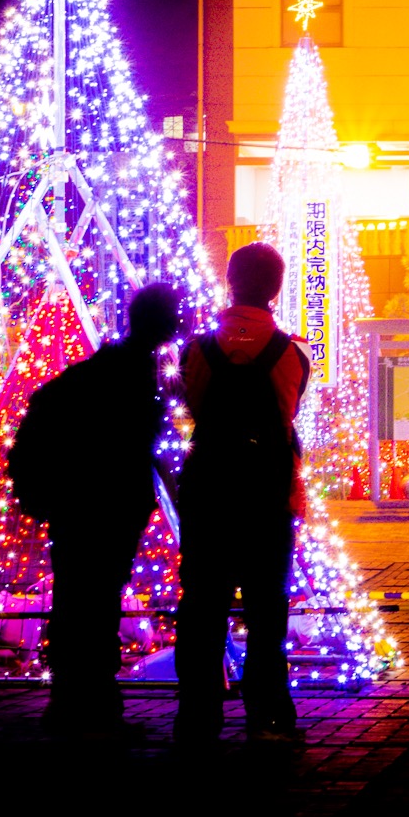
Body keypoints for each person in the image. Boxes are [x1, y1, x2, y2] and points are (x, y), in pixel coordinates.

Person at [20, 283, 179, 737]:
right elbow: (134, 447)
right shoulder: (131, 375)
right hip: (103, 504)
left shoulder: (112, 368)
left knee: (79, 596)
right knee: (93, 597)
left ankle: (75, 701)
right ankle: (88, 704)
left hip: (81, 503)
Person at [173, 243, 310, 744]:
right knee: (267, 609)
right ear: (275, 288)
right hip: (265, 497)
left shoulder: (196, 350)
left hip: (208, 492)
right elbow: (288, 415)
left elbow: (189, 406)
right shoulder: (292, 352)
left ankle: (197, 717)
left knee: (202, 606)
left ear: (229, 282)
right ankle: (269, 714)